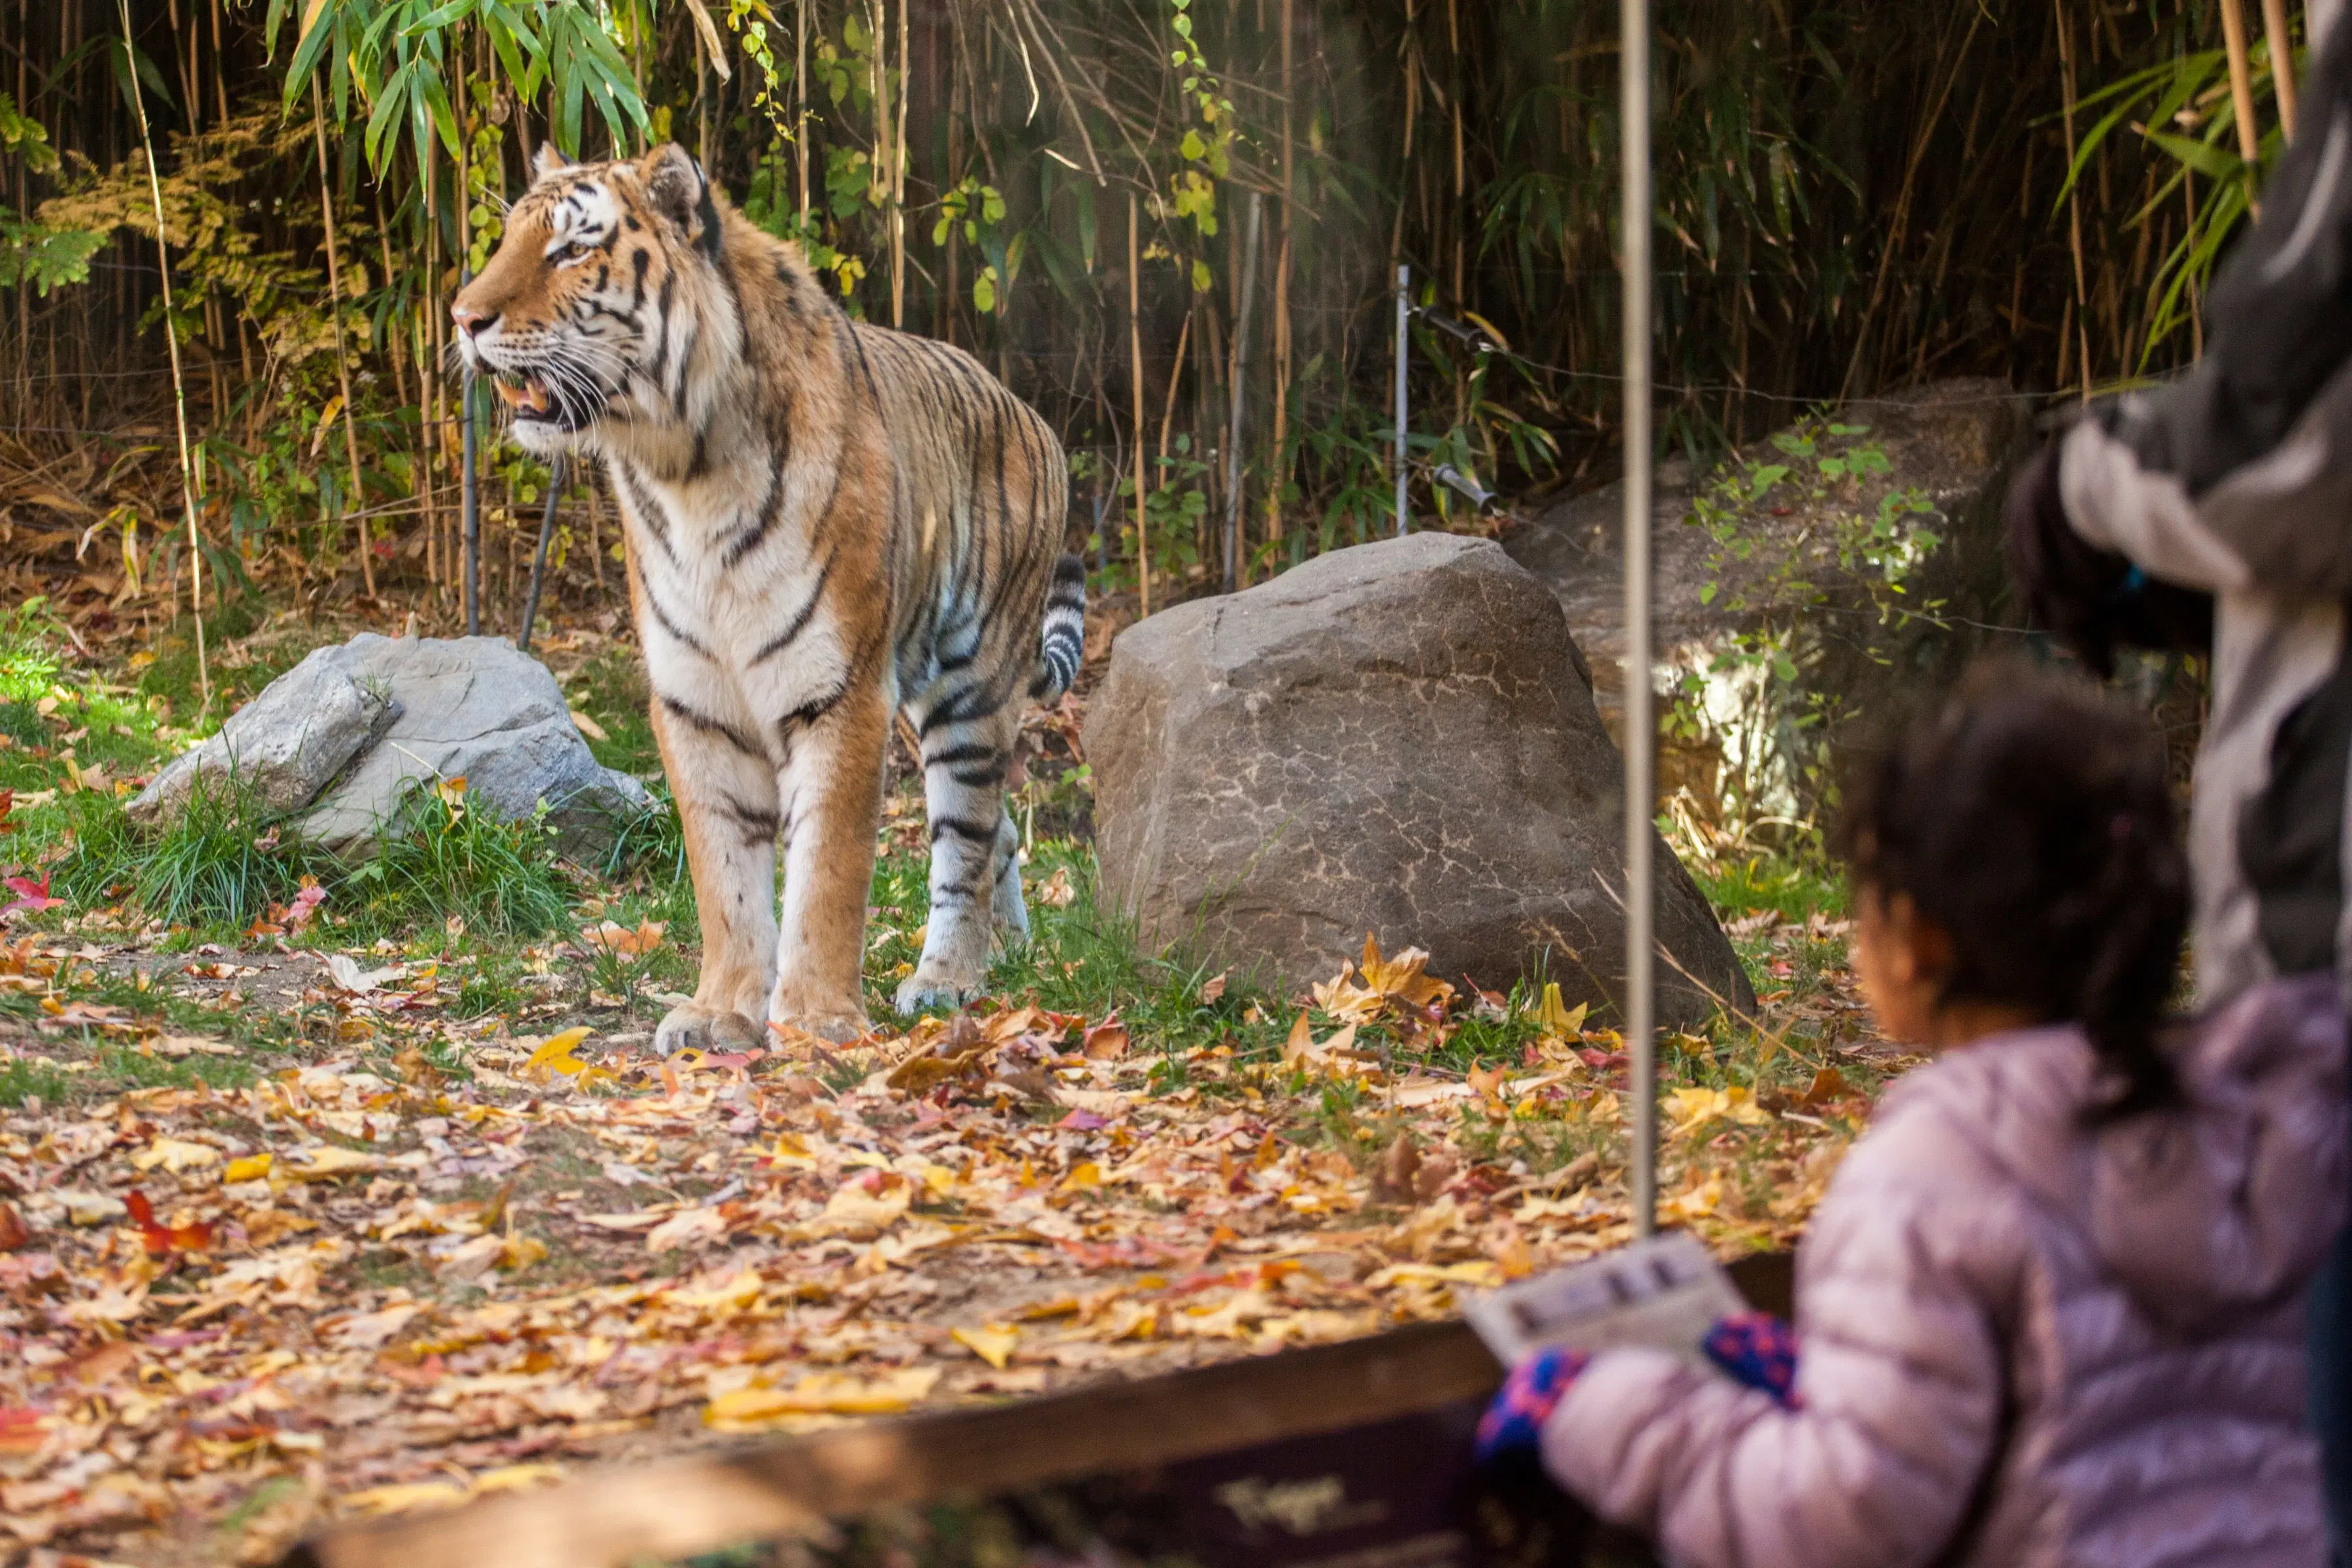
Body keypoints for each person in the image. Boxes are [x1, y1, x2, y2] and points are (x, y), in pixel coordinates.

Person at [1478, 669, 2347, 1567]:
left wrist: (1608, 1408)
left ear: (1917, 938)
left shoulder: (1939, 1165)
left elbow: (1839, 1520)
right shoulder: (2258, 1113)